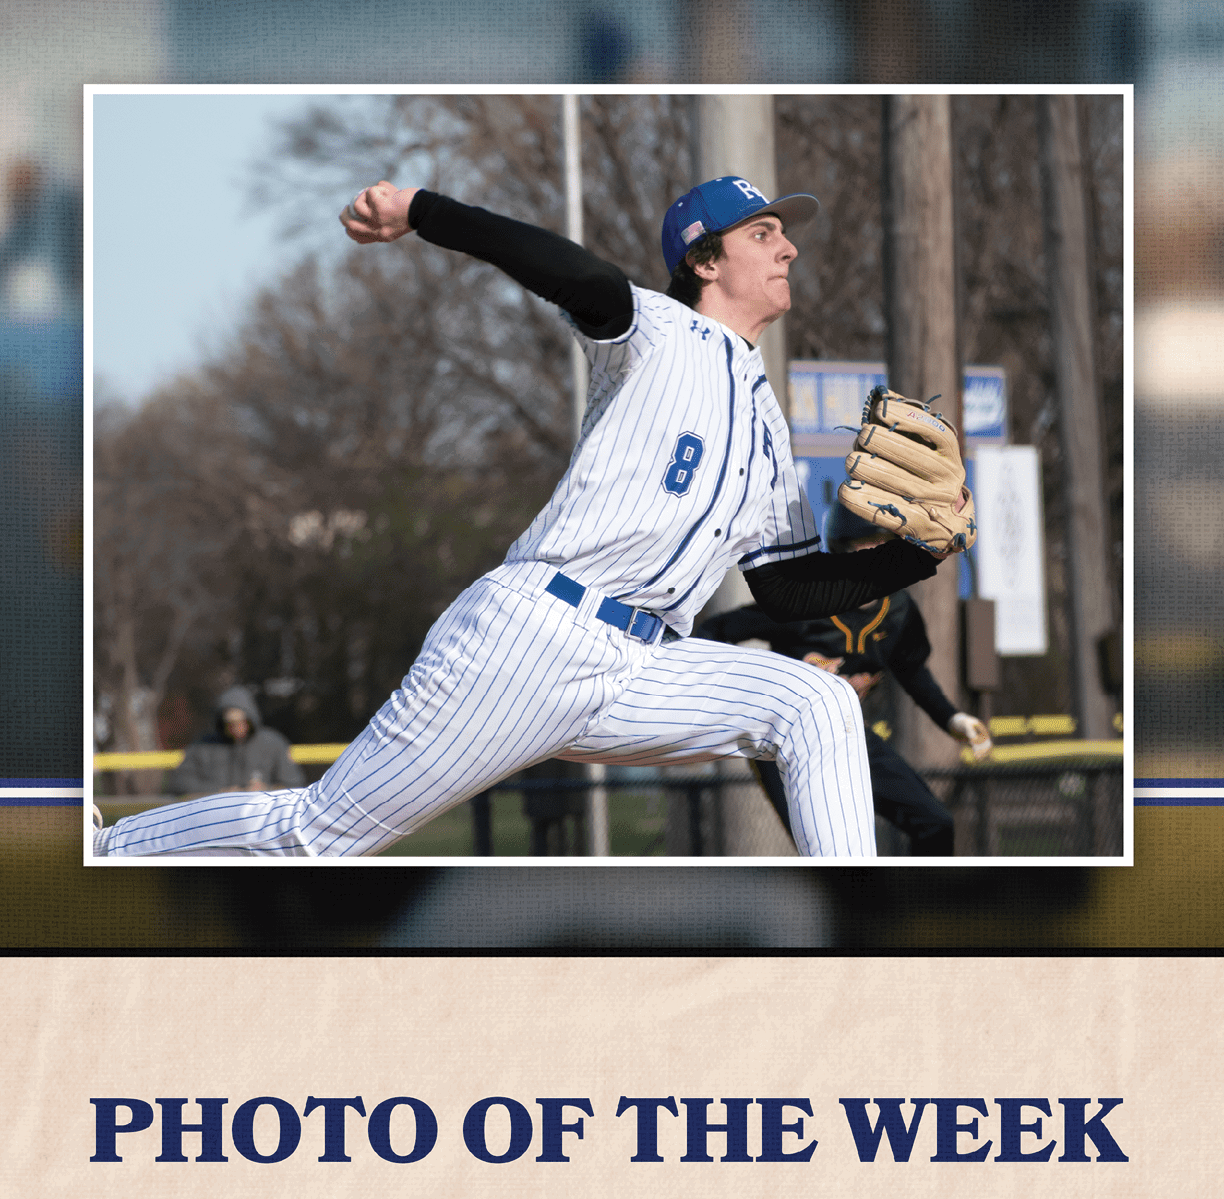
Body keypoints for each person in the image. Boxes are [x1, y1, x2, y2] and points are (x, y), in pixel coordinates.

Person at [93, 173, 962, 860]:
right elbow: (572, 272)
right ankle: (103, 850)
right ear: (704, 260)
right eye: (763, 233)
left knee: (812, 703)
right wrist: (422, 210)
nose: (790, 249)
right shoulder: (654, 331)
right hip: (534, 636)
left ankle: (858, 934)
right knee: (319, 835)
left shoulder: (771, 427)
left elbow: (783, 589)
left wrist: (911, 559)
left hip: (643, 665)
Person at [699, 524, 991, 856]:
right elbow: (717, 630)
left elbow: (912, 673)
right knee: (824, 852)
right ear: (840, 550)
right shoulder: (806, 600)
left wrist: (953, 719)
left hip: (849, 734)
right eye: (860, 544)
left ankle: (922, 904)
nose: (872, 552)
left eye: (881, 544)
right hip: (783, 741)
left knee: (935, 822)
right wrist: (738, 698)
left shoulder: (899, 611)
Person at [166, 685, 304, 798]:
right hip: (215, 818)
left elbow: (294, 784)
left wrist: (266, 789)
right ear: (221, 722)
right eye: (230, 722)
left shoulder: (272, 742)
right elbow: (178, 784)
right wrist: (218, 792)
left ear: (251, 718)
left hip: (260, 819)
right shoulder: (203, 746)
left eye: (241, 721)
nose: (237, 727)